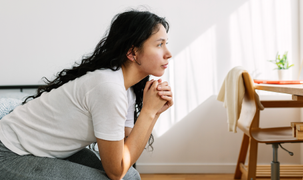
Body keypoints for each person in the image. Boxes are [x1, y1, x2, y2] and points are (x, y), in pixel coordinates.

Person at [0, 9, 173, 180]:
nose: (168, 53)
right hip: (10, 153)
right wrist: (148, 112)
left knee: (130, 176)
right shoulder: (109, 87)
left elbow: (128, 145)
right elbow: (116, 171)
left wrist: (154, 112)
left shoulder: (126, 89)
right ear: (132, 52)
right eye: (159, 44)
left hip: (41, 151)